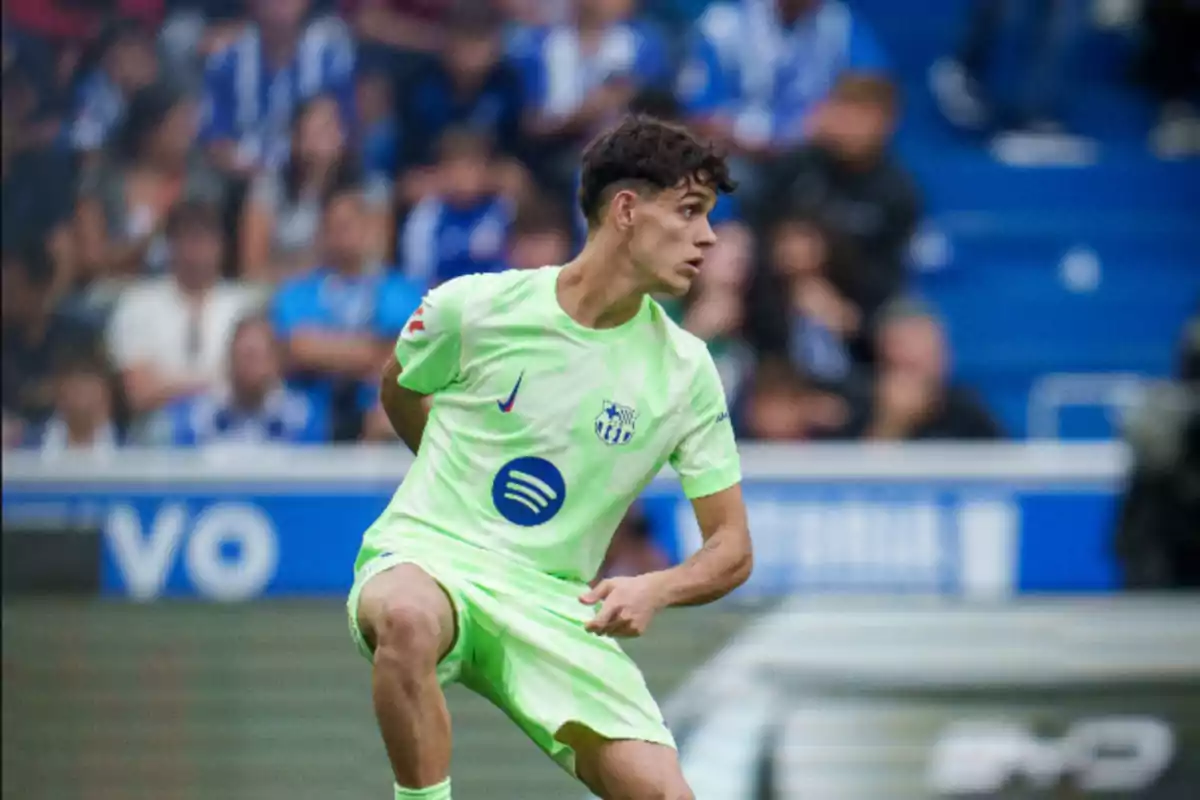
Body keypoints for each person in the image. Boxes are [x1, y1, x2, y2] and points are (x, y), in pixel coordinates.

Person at [347, 115, 753, 799]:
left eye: (708, 217)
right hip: (431, 556)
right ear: (626, 210)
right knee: (408, 618)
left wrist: (654, 587)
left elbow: (733, 547)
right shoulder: (472, 308)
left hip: (557, 604)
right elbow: (399, 386)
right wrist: (449, 483)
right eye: (689, 212)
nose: (707, 237)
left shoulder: (687, 373)